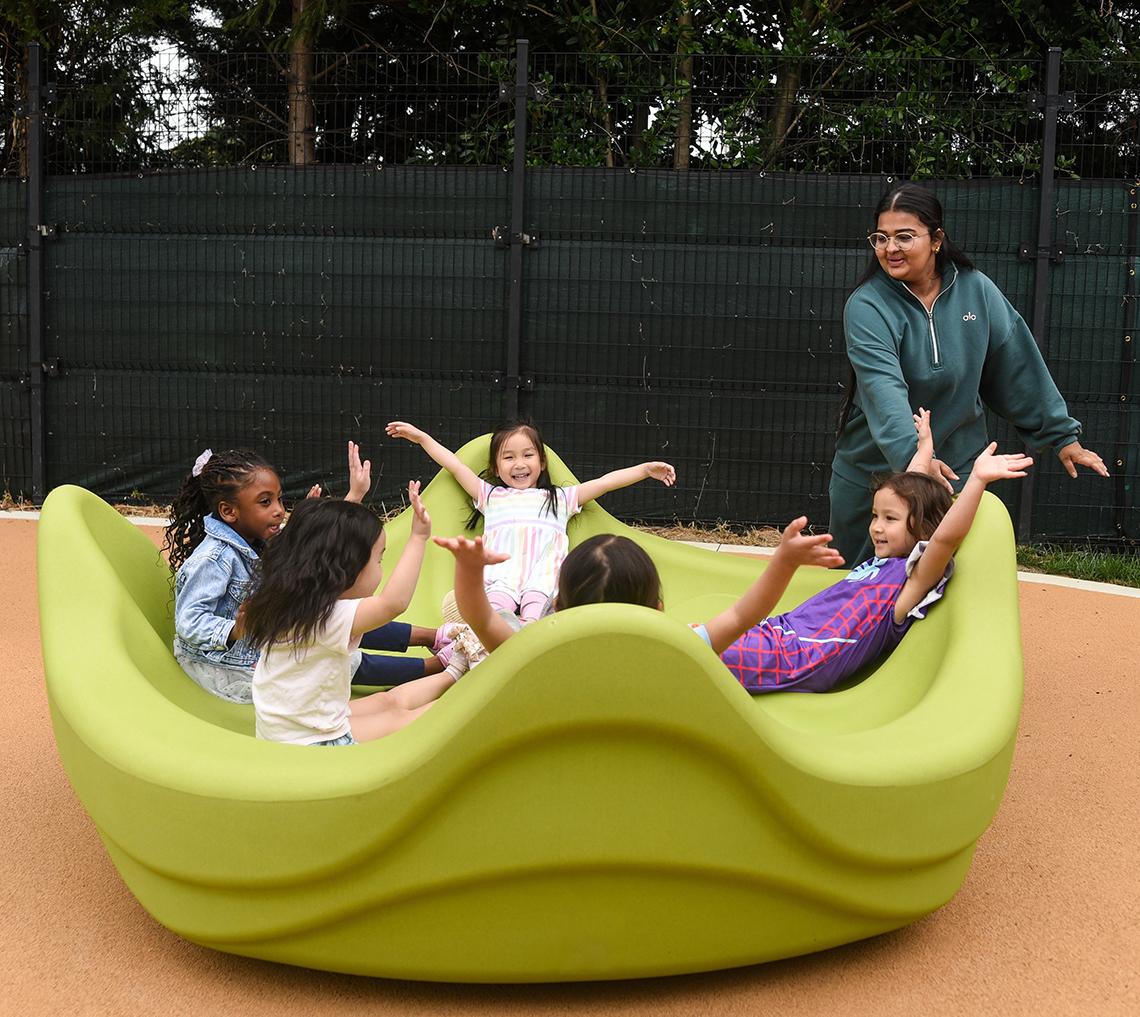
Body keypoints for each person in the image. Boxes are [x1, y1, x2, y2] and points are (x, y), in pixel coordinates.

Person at [436, 412, 1033, 696]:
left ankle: (614, 656)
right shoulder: (891, 554)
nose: (875, 529)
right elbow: (913, 504)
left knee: (676, 656)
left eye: (887, 522)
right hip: (780, 632)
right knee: (682, 646)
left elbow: (944, 535)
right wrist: (924, 452)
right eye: (875, 517)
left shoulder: (909, 583)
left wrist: (975, 480)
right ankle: (624, 653)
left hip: (798, 655)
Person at [830, 182, 1108, 565]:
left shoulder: (977, 291)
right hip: (876, 477)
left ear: (937, 239)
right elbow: (883, 390)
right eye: (881, 237)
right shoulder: (867, 306)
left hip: (955, 472)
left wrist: (1061, 436)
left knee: (946, 588)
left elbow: (1016, 364)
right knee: (857, 592)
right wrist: (916, 458)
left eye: (904, 237)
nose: (890, 249)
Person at [164, 442, 453, 704]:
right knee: (330, 648)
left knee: (330, 615)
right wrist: (235, 630)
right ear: (229, 512)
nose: (278, 510)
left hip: (266, 631)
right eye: (265, 502)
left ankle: (433, 637)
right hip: (229, 663)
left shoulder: (254, 535)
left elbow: (305, 548)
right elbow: (189, 622)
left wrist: (353, 497)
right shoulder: (213, 559)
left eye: (279, 499)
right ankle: (436, 667)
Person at [385, 419, 676, 623]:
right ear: (495, 468)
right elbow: (454, 464)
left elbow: (605, 482)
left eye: (528, 455)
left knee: (535, 622)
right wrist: (421, 437)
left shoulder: (561, 499)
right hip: (499, 580)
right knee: (494, 619)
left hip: (544, 582)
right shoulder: (490, 496)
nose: (519, 463)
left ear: (542, 462)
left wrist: (644, 469)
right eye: (508, 457)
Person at [244, 485, 457, 745]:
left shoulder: (289, 601)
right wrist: (417, 538)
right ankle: (476, 700)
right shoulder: (327, 617)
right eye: (379, 561)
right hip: (311, 743)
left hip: (287, 729)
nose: (381, 569)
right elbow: (393, 603)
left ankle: (456, 670)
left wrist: (351, 498)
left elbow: (319, 537)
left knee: (386, 701)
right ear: (344, 570)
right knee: (403, 721)